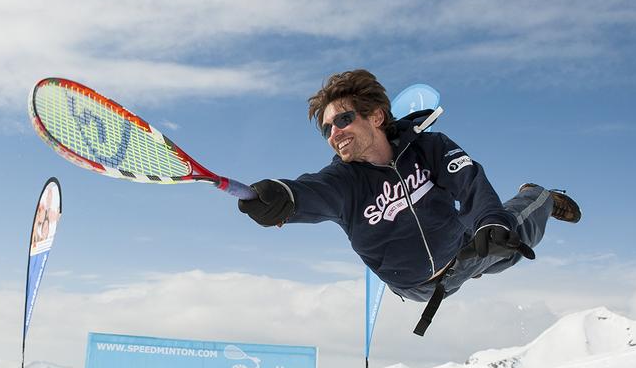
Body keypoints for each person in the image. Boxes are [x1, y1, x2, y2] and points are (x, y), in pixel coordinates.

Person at [237, 69, 581, 335]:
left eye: (343, 119)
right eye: (327, 129)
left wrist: (490, 221)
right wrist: (282, 196)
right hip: (419, 287)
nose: (334, 133)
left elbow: (469, 183)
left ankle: (540, 195)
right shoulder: (343, 181)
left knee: (512, 234)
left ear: (375, 117)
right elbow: (310, 192)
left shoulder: (429, 148)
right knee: (493, 253)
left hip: (465, 248)